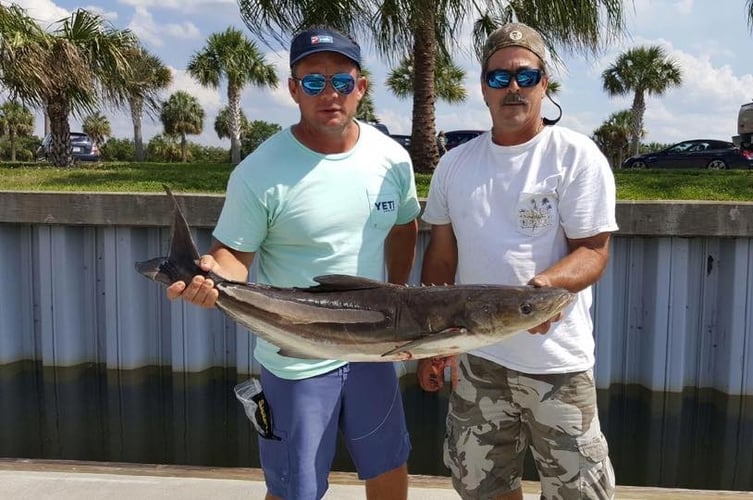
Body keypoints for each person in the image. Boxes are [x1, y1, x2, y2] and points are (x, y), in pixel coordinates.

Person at [166, 26, 420, 500]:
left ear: (360, 88)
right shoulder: (260, 171)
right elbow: (232, 257)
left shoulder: (393, 160)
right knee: (294, 489)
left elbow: (406, 224)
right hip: (297, 357)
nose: (330, 94)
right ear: (292, 90)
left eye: (342, 82)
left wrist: (399, 294)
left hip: (374, 351)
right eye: (313, 82)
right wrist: (211, 277)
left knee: (388, 468)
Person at [417, 22, 618, 500]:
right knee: (482, 487)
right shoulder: (454, 165)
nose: (513, 88)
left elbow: (593, 251)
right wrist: (433, 344)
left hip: (557, 364)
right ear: (483, 87)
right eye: (499, 77)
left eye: (526, 76)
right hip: (478, 361)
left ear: (544, 84)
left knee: (579, 493)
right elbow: (442, 258)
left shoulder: (576, 156)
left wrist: (543, 291)